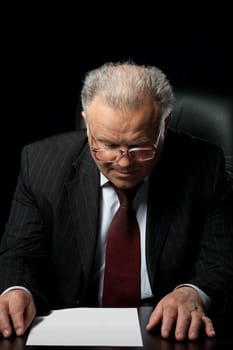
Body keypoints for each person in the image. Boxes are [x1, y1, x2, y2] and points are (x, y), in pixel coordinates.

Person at [0, 62, 233, 342]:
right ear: (88, 126)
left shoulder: (206, 166)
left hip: (165, 332)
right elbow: (21, 254)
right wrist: (17, 290)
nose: (123, 163)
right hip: (70, 331)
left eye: (140, 146)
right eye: (108, 145)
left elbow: (219, 260)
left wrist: (193, 292)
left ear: (165, 126)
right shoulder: (39, 164)